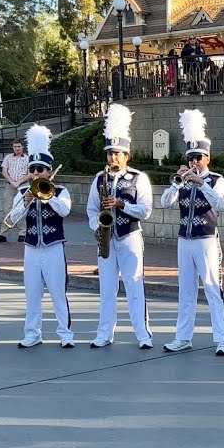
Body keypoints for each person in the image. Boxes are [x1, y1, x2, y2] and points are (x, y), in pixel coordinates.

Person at [159, 109, 224, 356]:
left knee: (212, 288)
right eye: (191, 158)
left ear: (208, 158)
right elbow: (165, 203)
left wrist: (201, 183)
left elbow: (221, 204)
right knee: (186, 290)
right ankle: (183, 337)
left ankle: (222, 339)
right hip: (184, 240)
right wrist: (176, 182)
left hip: (207, 240)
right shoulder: (183, 180)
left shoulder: (217, 179)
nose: (194, 163)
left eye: (199, 157)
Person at [88, 103, 154, 350]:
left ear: (127, 155)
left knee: (135, 285)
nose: (113, 157)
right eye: (109, 153)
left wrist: (121, 204)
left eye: (117, 153)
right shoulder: (98, 179)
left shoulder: (138, 178)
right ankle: (105, 333)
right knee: (106, 289)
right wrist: (97, 226)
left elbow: (146, 210)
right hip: (106, 239)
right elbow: (92, 209)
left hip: (129, 237)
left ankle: (143, 334)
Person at [5, 125, 74, 349]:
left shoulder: (61, 191)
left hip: (53, 246)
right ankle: (32, 333)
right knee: (32, 293)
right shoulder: (23, 193)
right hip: (31, 248)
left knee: (57, 292)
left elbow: (64, 211)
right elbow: (12, 219)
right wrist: (25, 203)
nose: (35, 174)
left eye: (40, 170)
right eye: (32, 170)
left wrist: (46, 196)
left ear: (49, 170)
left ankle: (65, 334)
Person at [0, 138, 28, 243]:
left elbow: (30, 173)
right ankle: (3, 233)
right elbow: (4, 172)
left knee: (22, 209)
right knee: (7, 209)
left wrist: (19, 182)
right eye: (15, 147)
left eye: (19, 146)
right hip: (10, 185)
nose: (17, 149)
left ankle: (22, 233)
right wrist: (12, 181)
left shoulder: (28, 158)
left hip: (23, 185)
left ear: (22, 147)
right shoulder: (8, 158)